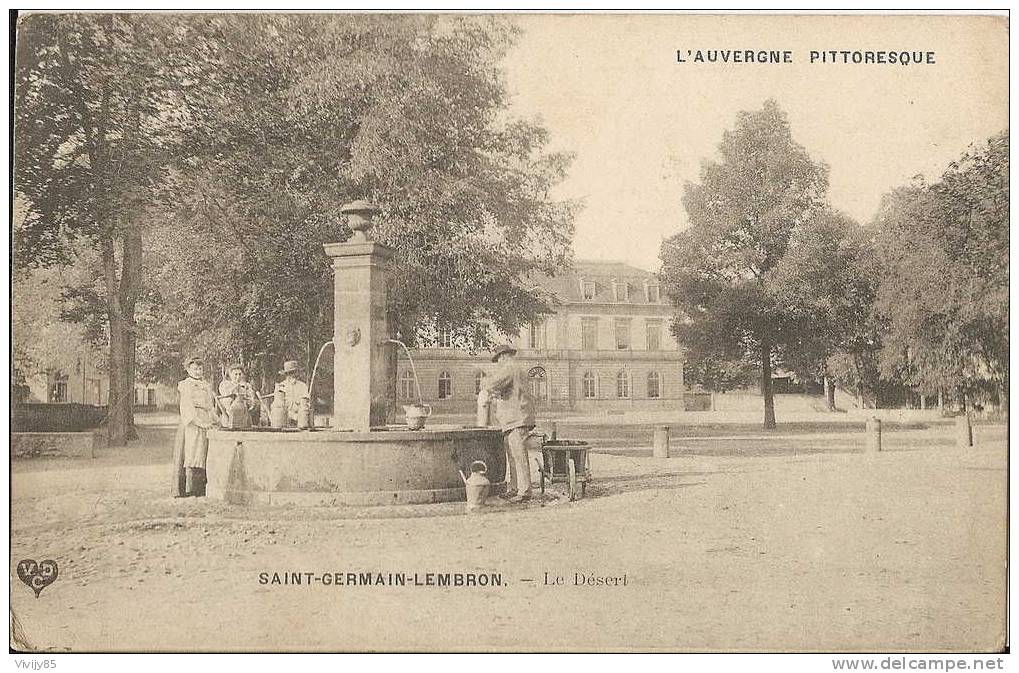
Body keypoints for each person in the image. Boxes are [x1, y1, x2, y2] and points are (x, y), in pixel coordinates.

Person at [483, 345, 536, 503]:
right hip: (512, 419)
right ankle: (515, 488)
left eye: (498, 359)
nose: (498, 363)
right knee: (513, 456)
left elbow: (494, 383)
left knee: (518, 456)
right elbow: (506, 391)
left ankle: (525, 490)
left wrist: (484, 383)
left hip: (517, 419)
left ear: (504, 356)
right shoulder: (515, 369)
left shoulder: (510, 367)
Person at [172, 356, 218, 498]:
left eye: (200, 368)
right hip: (192, 422)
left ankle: (200, 488)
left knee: (203, 451)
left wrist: (216, 419)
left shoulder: (206, 385)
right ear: (188, 370)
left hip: (205, 417)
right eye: (194, 369)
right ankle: (187, 488)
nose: (198, 371)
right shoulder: (186, 385)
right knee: (191, 451)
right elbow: (186, 406)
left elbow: (210, 406)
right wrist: (198, 422)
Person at [219, 364, 258, 428]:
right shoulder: (226, 384)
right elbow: (224, 393)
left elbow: (251, 396)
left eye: (240, 374)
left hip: (244, 408)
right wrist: (236, 388)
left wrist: (248, 396)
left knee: (255, 403)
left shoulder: (246, 385)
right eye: (235, 374)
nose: (238, 376)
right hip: (230, 408)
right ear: (230, 375)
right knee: (231, 403)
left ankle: (248, 421)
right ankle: (233, 421)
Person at [277, 360, 310, 426]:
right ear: (285, 374)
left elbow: (305, 404)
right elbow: (279, 405)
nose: (291, 375)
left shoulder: (302, 386)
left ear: (297, 373)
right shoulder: (281, 386)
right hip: (285, 418)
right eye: (289, 373)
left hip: (300, 417)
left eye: (293, 372)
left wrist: (299, 415)